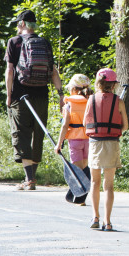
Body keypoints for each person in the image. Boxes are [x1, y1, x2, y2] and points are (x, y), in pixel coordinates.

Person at [4, 9, 62, 190]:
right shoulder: (44, 42)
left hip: (20, 95)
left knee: (21, 134)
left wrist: (8, 94)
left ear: (22, 24)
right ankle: (32, 177)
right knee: (38, 133)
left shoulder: (14, 42)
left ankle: (29, 179)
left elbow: (10, 71)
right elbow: (53, 71)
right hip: (41, 94)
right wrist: (61, 95)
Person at [85, 68, 128, 231]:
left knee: (94, 183)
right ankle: (107, 222)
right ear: (114, 84)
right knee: (108, 185)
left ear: (98, 83)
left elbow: (85, 123)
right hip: (112, 143)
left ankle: (95, 217)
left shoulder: (91, 99)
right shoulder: (119, 101)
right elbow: (125, 126)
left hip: (95, 143)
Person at [55, 73, 92, 201]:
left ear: (74, 89)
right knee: (84, 169)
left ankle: (78, 196)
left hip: (75, 141)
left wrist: (59, 144)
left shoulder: (69, 105)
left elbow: (65, 126)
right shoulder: (91, 102)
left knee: (77, 170)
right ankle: (80, 196)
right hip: (89, 140)